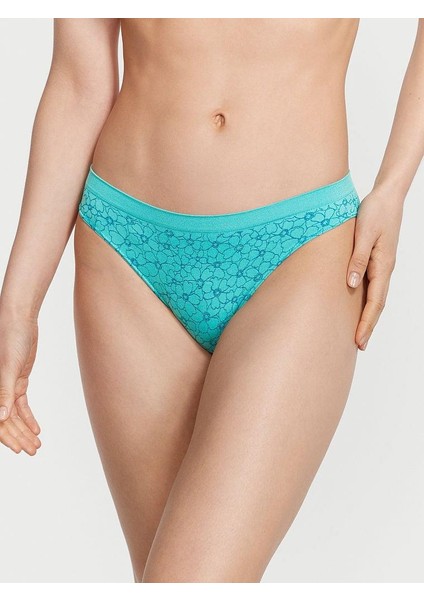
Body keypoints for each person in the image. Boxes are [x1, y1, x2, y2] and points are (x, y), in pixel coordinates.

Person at [0, 18, 423, 583]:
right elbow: (80, 79)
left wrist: (394, 185)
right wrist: (18, 306)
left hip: (301, 246)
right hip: (127, 251)